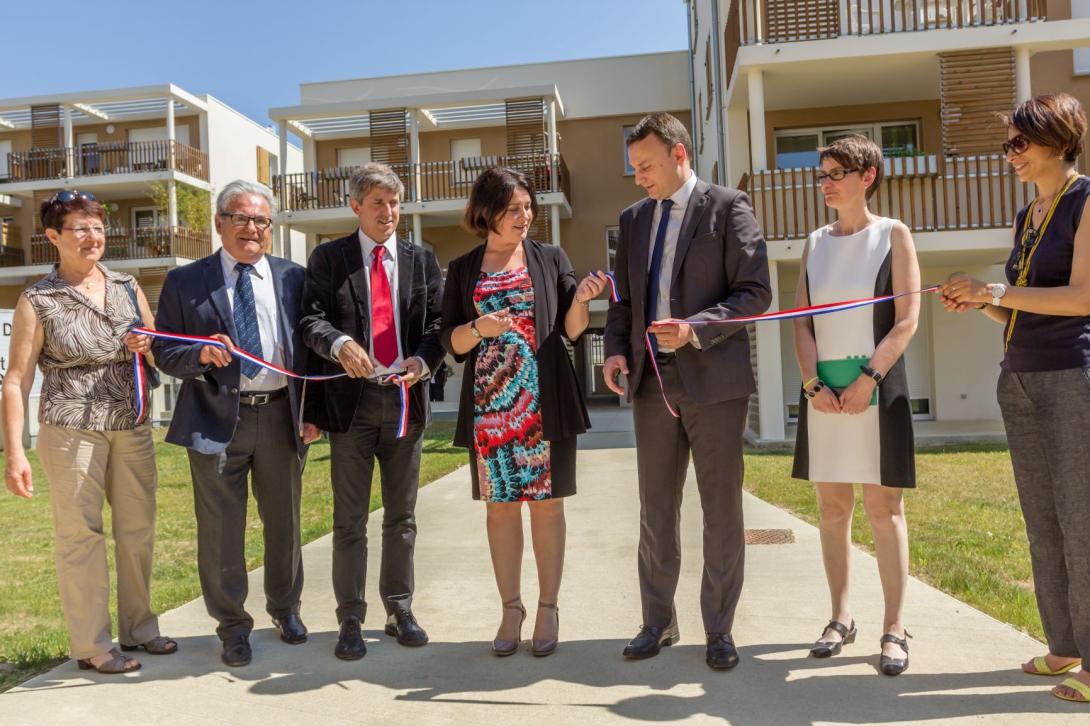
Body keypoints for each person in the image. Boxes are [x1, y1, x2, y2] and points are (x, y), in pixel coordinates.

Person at [603, 112, 771, 670]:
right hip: (651, 382)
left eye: (647, 166)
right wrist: (616, 351)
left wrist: (696, 329)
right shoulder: (631, 221)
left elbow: (755, 293)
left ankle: (719, 630)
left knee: (720, 511)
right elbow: (624, 301)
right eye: (634, 169)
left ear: (680, 154)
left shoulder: (728, 207)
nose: (639, 178)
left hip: (714, 380)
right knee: (656, 509)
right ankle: (658, 621)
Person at [942, 93, 1090, 704]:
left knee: (1082, 520)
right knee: (1044, 521)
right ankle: (1064, 647)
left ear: (1058, 139)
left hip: (1071, 376)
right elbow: (1017, 305)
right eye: (1008, 145)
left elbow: (1081, 298)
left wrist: (997, 287)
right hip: (1020, 374)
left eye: (1019, 144)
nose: (1011, 155)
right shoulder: (1028, 214)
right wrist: (982, 302)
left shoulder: (1086, 201)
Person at [2, 190, 175, 674]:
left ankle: (140, 628)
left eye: (97, 227)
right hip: (70, 428)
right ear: (54, 237)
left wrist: (150, 344)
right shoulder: (38, 299)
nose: (92, 236)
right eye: (79, 228)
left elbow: (158, 349)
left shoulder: (126, 286)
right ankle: (93, 645)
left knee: (138, 529)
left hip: (131, 424)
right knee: (81, 535)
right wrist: (15, 453)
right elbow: (16, 380)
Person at [440, 167, 606, 657]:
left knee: (548, 507)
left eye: (528, 207)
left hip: (543, 402)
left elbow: (572, 330)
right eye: (514, 208)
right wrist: (480, 328)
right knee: (501, 510)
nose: (525, 216)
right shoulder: (464, 267)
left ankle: (548, 607)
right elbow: (452, 341)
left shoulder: (551, 257)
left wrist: (582, 299)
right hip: (491, 409)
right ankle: (511, 608)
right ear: (487, 212)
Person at [153, 180, 318, 668]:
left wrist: (313, 412)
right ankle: (232, 627)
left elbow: (306, 348)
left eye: (262, 220)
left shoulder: (294, 278)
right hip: (216, 418)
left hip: (282, 416)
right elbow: (164, 349)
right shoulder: (186, 281)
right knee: (222, 530)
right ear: (219, 222)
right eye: (242, 218)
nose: (253, 229)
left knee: (284, 523)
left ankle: (285, 610)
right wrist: (200, 354)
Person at [300, 162, 444, 660]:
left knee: (402, 517)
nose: (388, 212)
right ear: (356, 206)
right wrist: (339, 343)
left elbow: (439, 326)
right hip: (351, 407)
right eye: (378, 202)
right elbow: (309, 321)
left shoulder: (421, 259)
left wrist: (424, 360)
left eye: (395, 203)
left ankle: (399, 607)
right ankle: (350, 618)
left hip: (406, 403)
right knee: (350, 521)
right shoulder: (329, 258)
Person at [790, 136, 921, 676]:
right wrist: (811, 384)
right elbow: (801, 321)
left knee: (883, 512)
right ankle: (841, 617)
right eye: (822, 173)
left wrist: (869, 378)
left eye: (836, 172)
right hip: (824, 399)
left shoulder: (894, 234)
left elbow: (908, 319)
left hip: (875, 390)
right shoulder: (814, 242)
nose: (826, 182)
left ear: (867, 176)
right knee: (833, 510)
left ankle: (894, 626)